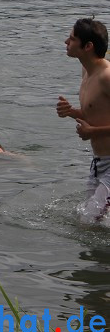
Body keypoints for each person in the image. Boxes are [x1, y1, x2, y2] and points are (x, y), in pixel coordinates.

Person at [56, 18, 110, 221]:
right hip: (99, 163)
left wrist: (92, 132)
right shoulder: (86, 72)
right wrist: (72, 112)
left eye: (72, 38)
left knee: (89, 221)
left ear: (88, 46)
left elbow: (93, 128)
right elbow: (95, 114)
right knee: (87, 221)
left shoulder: (107, 76)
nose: (66, 42)